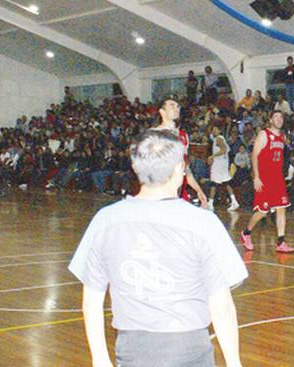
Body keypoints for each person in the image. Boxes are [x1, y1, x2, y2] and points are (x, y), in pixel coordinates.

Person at [69, 130, 246, 367]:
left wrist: (100, 358)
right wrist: (234, 363)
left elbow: (91, 299)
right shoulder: (204, 223)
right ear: (179, 169)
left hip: (132, 351)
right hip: (189, 349)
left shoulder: (105, 220)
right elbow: (221, 305)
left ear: (134, 166)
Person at [240, 111, 294, 253]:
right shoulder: (264, 134)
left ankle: (281, 242)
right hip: (264, 178)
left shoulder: (282, 136)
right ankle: (246, 233)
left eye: (281, 117)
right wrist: (256, 177)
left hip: (277, 178)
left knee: (281, 208)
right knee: (263, 212)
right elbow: (254, 155)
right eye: (276, 117)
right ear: (271, 120)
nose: (279, 119)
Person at [153, 98, 207, 204]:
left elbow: (185, 168)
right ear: (162, 112)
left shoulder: (180, 136)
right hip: (160, 191)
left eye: (178, 106)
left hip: (178, 191)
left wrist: (198, 190)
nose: (176, 108)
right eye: (172, 105)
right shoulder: (155, 134)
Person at [208, 125, 239, 211]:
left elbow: (224, 149)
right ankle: (234, 201)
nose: (214, 131)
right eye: (213, 130)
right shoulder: (220, 138)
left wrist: (212, 156)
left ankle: (210, 204)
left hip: (219, 164)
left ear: (219, 130)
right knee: (226, 182)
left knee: (213, 182)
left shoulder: (218, 138)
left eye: (215, 129)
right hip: (224, 163)